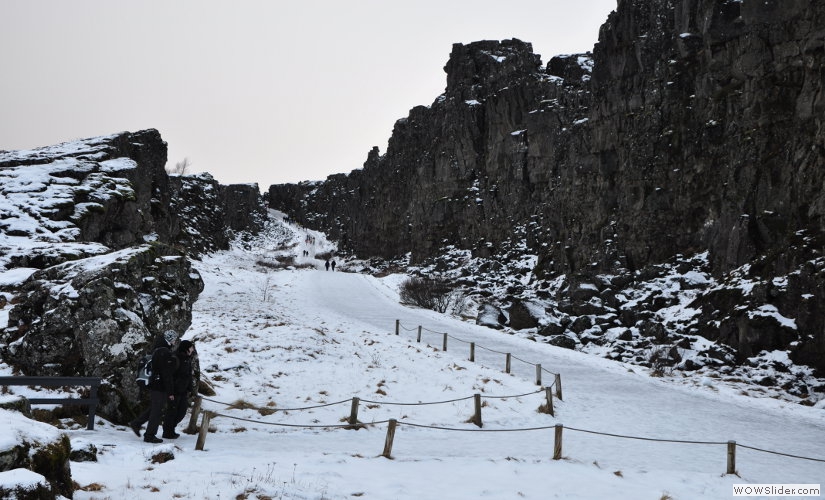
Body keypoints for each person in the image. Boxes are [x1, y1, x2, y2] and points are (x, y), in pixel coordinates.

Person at [129, 330, 179, 443]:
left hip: (154, 384)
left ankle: (136, 423)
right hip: (159, 386)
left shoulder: (158, 349)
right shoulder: (164, 351)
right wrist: (170, 392)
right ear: (170, 339)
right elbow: (166, 374)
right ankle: (149, 435)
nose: (175, 341)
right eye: (174, 339)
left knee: (154, 408)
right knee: (157, 411)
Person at [162, 339, 196, 439]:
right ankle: (168, 432)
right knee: (172, 412)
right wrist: (170, 392)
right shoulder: (175, 358)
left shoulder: (187, 359)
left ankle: (171, 428)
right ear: (186, 348)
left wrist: (190, 389)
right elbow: (169, 376)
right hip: (175, 391)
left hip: (183, 391)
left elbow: (188, 375)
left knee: (181, 412)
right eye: (191, 347)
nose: (192, 349)